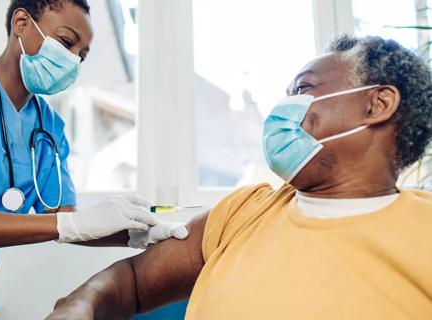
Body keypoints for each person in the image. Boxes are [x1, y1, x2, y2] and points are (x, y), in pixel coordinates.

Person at [47, 34, 432, 320]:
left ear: (377, 104)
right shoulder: (244, 211)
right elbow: (131, 281)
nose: (285, 107)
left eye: (303, 88)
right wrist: (78, 306)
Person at [0, 0, 188, 318]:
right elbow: (67, 225)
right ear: (21, 23)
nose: (72, 60)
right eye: (66, 42)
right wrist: (72, 224)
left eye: (81, 56)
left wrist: (134, 232)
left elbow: (66, 219)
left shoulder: (48, 127)